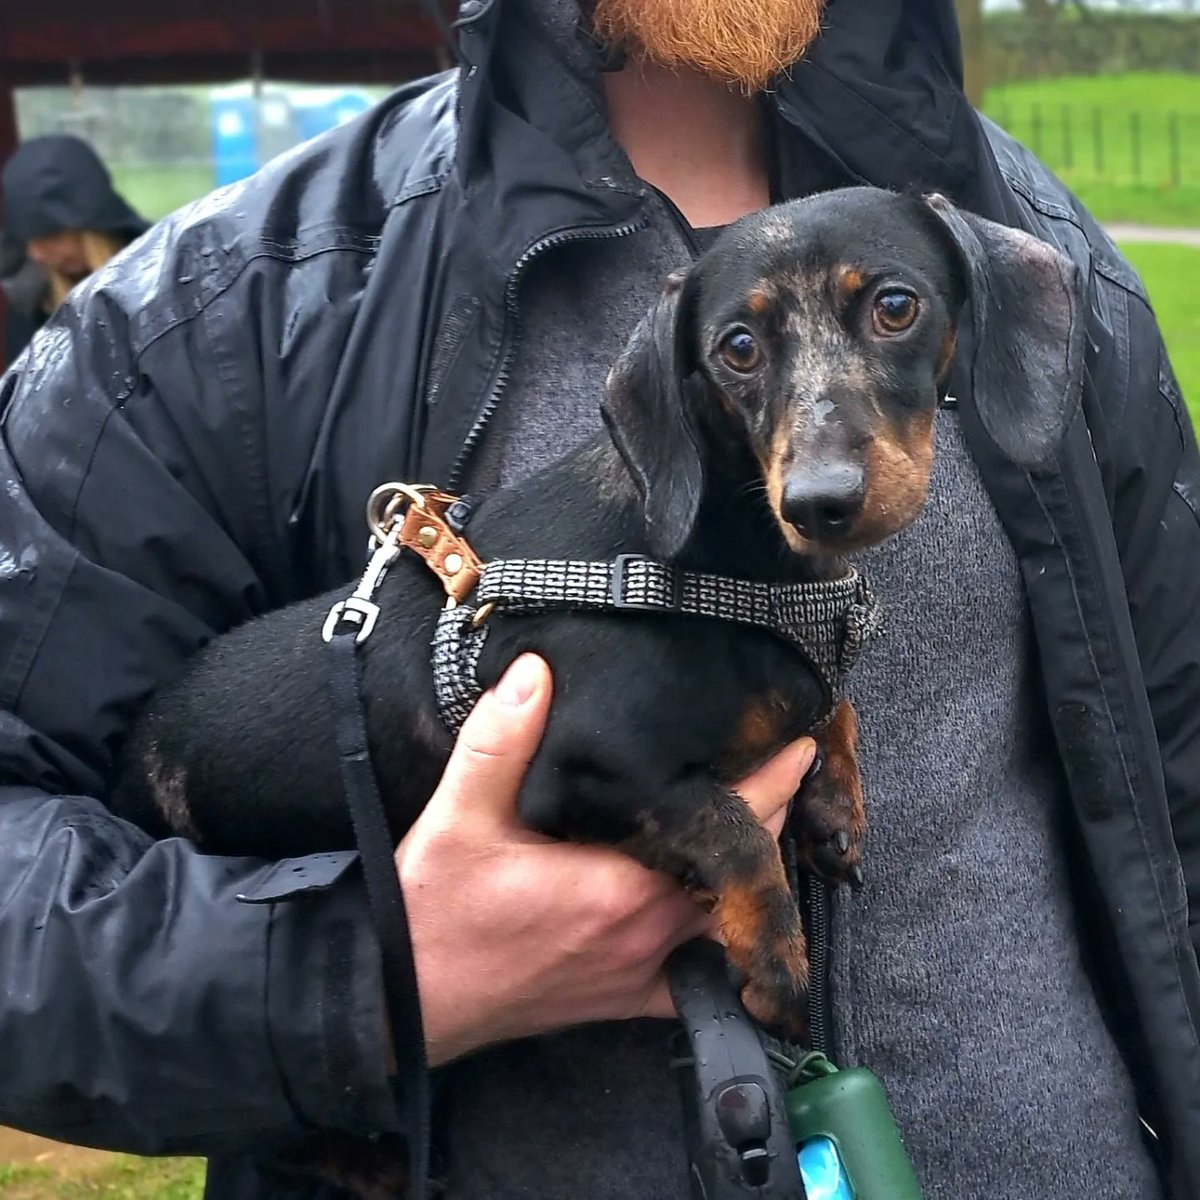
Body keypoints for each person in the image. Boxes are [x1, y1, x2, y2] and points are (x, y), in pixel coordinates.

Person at [0, 2, 1197, 1198]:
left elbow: (1179, 756)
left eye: (888, 313)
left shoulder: (1042, 247)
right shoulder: (233, 306)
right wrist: (364, 980)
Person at [1, 133, 149, 365]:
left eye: (51, 235)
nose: (36, 254)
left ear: (94, 229)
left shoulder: (158, 284)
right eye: (28, 239)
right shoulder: (33, 304)